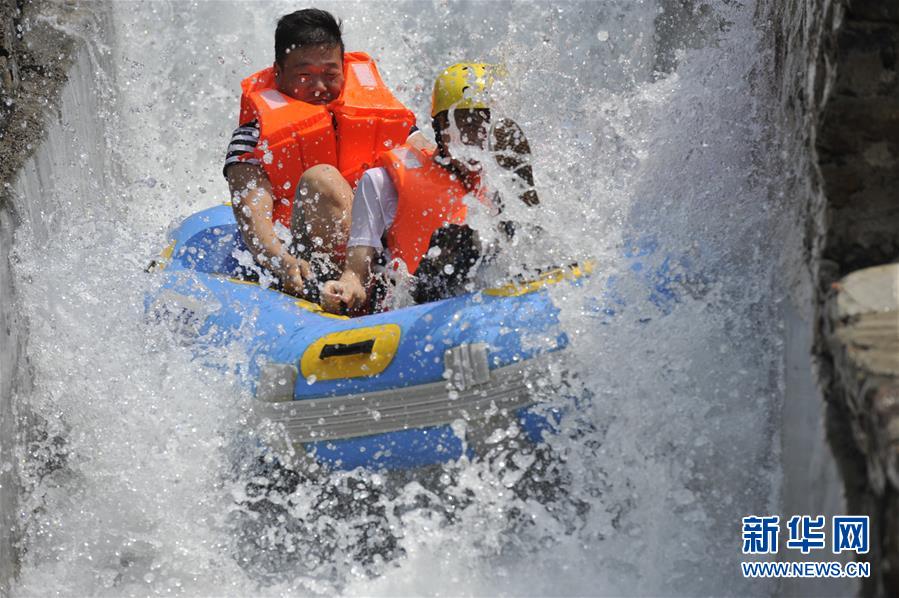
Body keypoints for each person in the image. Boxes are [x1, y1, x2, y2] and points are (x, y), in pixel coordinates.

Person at [224, 9, 429, 298]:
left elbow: (433, 164)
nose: (320, 88)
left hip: (381, 253)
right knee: (323, 179)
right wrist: (283, 262)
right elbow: (254, 219)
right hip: (307, 260)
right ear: (278, 73)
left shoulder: (380, 118)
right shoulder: (252, 138)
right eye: (305, 76)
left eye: (330, 74)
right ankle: (350, 289)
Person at [321, 62, 539, 316]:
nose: (475, 136)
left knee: (508, 232)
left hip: (481, 291)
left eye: (484, 126)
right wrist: (346, 288)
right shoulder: (381, 182)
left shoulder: (496, 181)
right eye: (465, 124)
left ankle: (527, 243)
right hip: (414, 304)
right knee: (461, 240)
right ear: (440, 128)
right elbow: (355, 274)